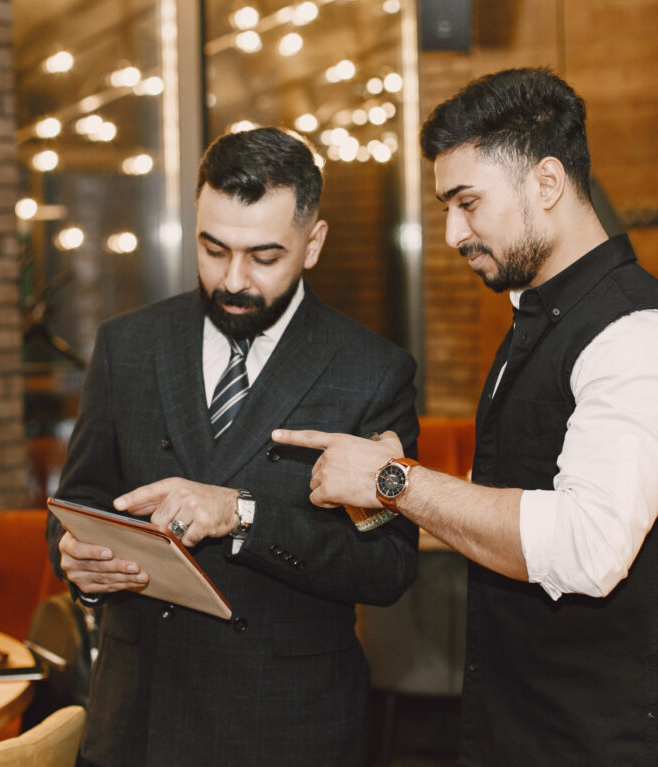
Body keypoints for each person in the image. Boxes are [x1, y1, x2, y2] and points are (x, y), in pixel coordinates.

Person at [274, 68, 658, 765]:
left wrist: (393, 479)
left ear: (545, 183)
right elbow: (499, 513)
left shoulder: (642, 336)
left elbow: (584, 549)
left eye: (467, 202)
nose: (452, 232)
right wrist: (379, 495)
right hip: (522, 725)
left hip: (618, 741)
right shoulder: (533, 324)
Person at [46, 127, 420, 767]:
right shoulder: (127, 346)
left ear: (314, 243)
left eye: (264, 257)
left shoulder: (371, 372)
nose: (234, 280)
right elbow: (80, 497)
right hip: (138, 718)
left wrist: (243, 514)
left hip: (285, 725)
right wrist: (78, 564)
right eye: (213, 249)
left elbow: (385, 569)